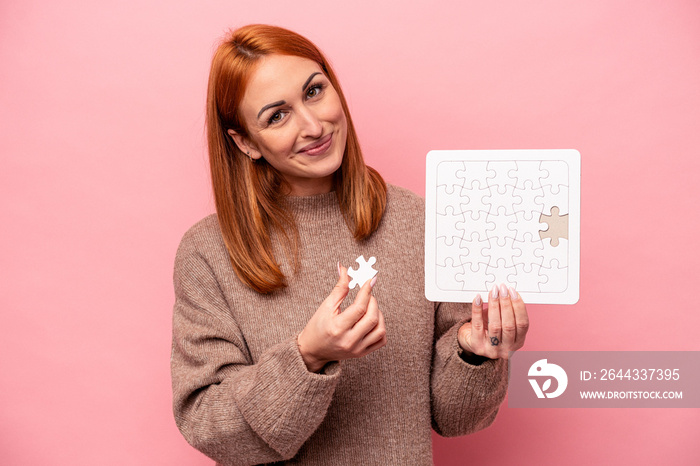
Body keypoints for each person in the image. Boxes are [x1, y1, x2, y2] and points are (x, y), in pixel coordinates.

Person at [171, 24, 529, 466]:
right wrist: (308, 355)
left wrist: (474, 353)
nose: (314, 124)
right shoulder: (208, 253)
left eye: (315, 91)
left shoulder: (421, 223)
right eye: (276, 116)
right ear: (246, 142)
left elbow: (456, 420)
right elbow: (210, 428)